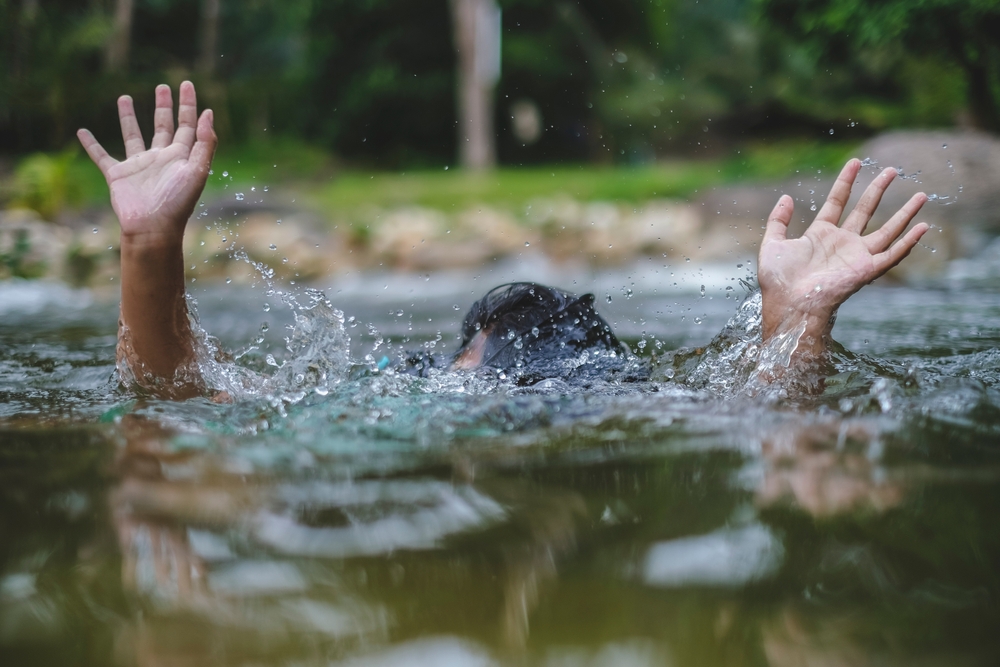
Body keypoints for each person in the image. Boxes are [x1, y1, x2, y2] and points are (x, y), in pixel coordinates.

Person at [77, 82, 930, 399]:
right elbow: (763, 415)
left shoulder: (396, 387)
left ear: (465, 354)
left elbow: (177, 397)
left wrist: (150, 252)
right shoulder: (617, 393)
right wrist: (793, 322)